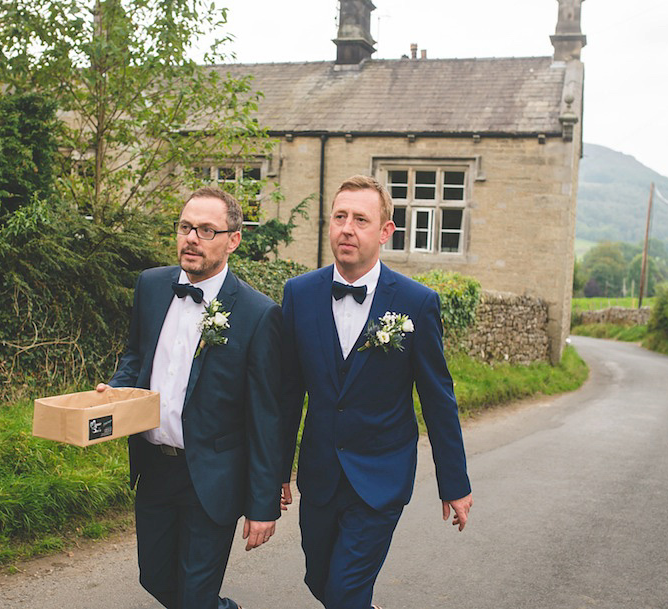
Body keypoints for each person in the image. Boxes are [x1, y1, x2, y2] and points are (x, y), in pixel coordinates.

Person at [279, 175, 472, 609]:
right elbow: (288, 392)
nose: (347, 228)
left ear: (386, 232)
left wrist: (453, 483)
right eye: (340, 217)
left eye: (361, 219)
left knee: (345, 591)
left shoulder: (417, 302)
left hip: (382, 475)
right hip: (321, 472)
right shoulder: (299, 294)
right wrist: (277, 471)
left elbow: (438, 398)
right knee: (319, 579)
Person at [96, 187, 282, 609]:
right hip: (154, 466)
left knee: (195, 596)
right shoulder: (151, 285)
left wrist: (263, 501)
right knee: (156, 578)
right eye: (185, 227)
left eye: (205, 230)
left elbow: (266, 416)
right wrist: (120, 389)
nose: (191, 238)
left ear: (233, 239)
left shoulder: (258, 312)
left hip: (213, 476)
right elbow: (135, 355)